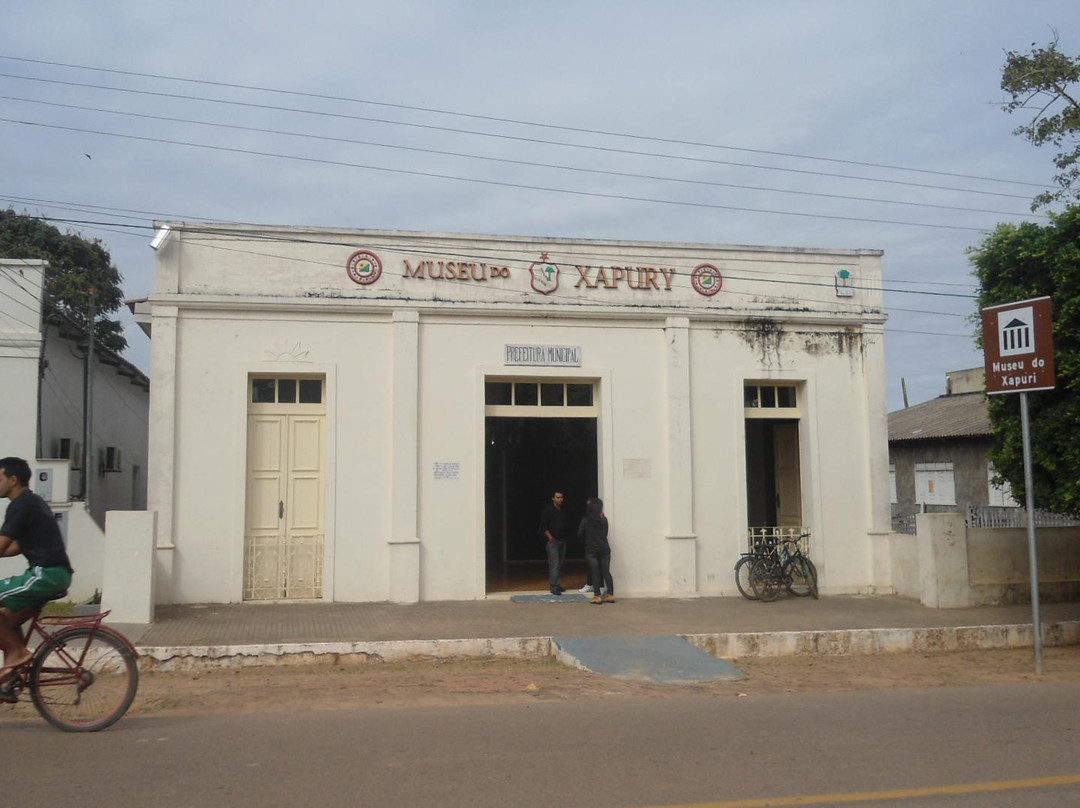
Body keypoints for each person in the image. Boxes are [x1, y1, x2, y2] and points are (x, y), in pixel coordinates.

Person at [0, 457, 74, 693]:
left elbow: (2, 545)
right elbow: (15, 546)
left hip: (46, 574)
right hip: (53, 574)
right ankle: (14, 679)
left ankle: (18, 654)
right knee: (7, 621)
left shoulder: (20, 505)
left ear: (13, 480)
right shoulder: (32, 501)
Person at [578, 497, 614, 604]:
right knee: (606, 571)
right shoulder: (604, 519)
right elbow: (606, 533)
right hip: (604, 548)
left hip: (591, 549)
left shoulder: (585, 520)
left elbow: (580, 534)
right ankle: (611, 594)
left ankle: (597, 596)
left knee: (595, 572)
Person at [538, 490, 568, 595]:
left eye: (561, 497)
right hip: (553, 542)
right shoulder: (548, 510)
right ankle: (553, 586)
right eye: (558, 497)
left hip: (562, 540)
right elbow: (543, 525)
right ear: (553, 498)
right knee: (554, 564)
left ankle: (558, 584)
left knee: (560, 564)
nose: (560, 499)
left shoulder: (563, 510)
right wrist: (550, 538)